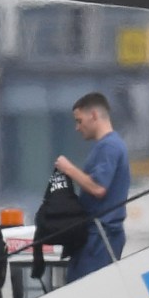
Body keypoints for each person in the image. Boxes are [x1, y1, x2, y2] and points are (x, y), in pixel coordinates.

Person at [55, 92, 130, 283]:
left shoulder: (109, 147)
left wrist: (68, 168)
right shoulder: (105, 147)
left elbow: (98, 187)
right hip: (93, 235)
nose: (77, 127)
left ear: (94, 115)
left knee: (86, 290)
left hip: (101, 237)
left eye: (79, 121)